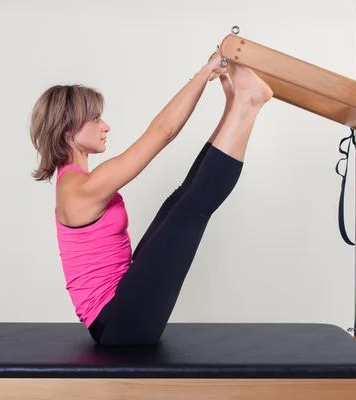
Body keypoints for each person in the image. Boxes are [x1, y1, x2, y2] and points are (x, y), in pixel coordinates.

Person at [29, 50, 273, 346]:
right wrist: (203, 74)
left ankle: (238, 106)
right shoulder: (80, 188)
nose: (105, 125)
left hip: (121, 309)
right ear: (68, 131)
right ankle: (248, 105)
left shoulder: (75, 182)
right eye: (95, 119)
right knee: (189, 211)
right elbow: (163, 133)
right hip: (119, 323)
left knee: (179, 201)